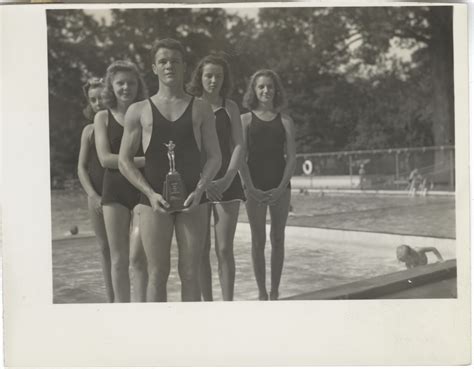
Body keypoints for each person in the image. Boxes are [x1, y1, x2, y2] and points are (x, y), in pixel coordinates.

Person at [118, 38, 221, 302]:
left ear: (184, 66)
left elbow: (214, 157)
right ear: (154, 67)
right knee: (157, 272)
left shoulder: (201, 107)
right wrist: (149, 194)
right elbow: (124, 161)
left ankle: (191, 334)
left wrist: (200, 190)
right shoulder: (138, 110)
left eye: (175, 61)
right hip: (153, 202)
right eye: (163, 61)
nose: (169, 66)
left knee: (190, 272)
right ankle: (157, 335)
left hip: (193, 200)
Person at [187, 55, 245, 301]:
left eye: (218, 76)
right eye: (208, 75)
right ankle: (207, 305)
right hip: (198, 183)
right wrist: (203, 183)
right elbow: (188, 148)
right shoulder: (190, 105)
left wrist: (226, 179)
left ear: (225, 79)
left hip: (227, 183)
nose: (213, 80)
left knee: (224, 249)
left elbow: (239, 146)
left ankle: (227, 305)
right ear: (200, 77)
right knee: (201, 251)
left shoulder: (230, 107)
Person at [94, 61, 149, 303]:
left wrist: (129, 162)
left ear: (139, 86)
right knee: (118, 259)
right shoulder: (102, 117)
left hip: (142, 190)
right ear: (111, 87)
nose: (126, 87)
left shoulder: (147, 114)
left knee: (139, 257)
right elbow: (105, 159)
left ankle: (141, 310)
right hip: (114, 191)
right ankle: (123, 311)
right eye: (120, 83)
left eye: (131, 82)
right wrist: (142, 161)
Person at [239, 69, 296, 300]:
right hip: (254, 185)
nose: (265, 91)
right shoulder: (244, 120)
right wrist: (250, 188)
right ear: (254, 90)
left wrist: (282, 187)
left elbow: (291, 157)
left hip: (280, 184)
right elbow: (241, 157)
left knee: (278, 238)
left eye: (270, 87)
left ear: (276, 90)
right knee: (258, 240)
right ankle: (262, 292)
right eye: (261, 86)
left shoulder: (285, 121)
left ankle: (275, 291)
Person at [77, 77, 116, 302]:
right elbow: (81, 168)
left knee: (127, 250)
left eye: (101, 97)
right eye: (93, 99)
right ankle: (111, 300)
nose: (98, 103)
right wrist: (92, 195)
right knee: (104, 248)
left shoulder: (122, 123)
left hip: (119, 194)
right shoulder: (89, 131)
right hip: (97, 194)